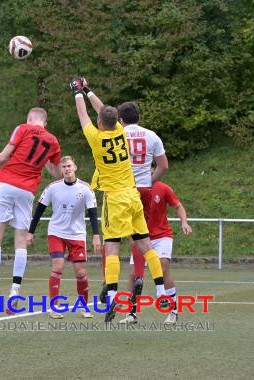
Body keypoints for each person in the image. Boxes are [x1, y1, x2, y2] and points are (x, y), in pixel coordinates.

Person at [69, 78, 170, 324]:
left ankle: (112, 297)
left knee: (112, 247)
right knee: (146, 246)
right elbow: (104, 111)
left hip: (114, 199)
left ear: (101, 123)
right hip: (133, 195)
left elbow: (84, 116)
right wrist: (87, 89)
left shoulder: (97, 137)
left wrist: (76, 92)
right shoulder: (121, 132)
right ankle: (161, 292)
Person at [0, 107, 61, 313]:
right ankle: (15, 290)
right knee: (21, 241)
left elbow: (4, 156)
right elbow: (55, 172)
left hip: (6, 183)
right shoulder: (53, 141)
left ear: (30, 118)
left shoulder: (23, 129)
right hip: (27, 190)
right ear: (45, 123)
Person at [27, 156, 102, 319]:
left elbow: (93, 213)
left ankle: (84, 307)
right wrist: (30, 232)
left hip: (77, 234)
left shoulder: (86, 189)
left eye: (69, 166)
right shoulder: (53, 188)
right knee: (58, 266)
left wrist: (96, 236)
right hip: (56, 232)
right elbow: (39, 210)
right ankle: (54, 307)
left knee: (81, 272)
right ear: (61, 170)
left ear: (75, 167)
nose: (67, 169)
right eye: (64, 167)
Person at [119, 161, 192, 324]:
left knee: (162, 267)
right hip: (141, 237)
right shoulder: (132, 191)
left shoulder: (163, 188)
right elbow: (126, 216)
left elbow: (178, 206)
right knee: (134, 275)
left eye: (149, 170)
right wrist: (131, 237)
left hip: (162, 236)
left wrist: (184, 222)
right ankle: (131, 313)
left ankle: (173, 310)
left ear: (154, 171)